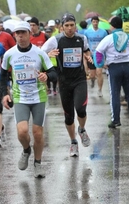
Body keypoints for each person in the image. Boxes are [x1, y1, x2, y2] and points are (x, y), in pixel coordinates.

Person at [0, 22, 57, 178]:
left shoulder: (39, 53)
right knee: (22, 131)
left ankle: (38, 163)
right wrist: (4, 94)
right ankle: (26, 150)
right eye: (17, 33)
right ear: (14, 35)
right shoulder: (9, 54)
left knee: (37, 134)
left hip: (38, 97)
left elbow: (53, 72)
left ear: (29, 34)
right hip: (20, 97)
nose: (20, 35)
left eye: (23, 33)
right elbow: (3, 75)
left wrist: (47, 76)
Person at [41, 13, 93, 157]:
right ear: (62, 27)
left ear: (75, 26)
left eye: (72, 25)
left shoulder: (82, 38)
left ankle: (82, 130)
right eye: (67, 26)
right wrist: (49, 54)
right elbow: (39, 53)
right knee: (69, 116)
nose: (70, 28)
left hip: (79, 79)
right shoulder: (55, 39)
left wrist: (88, 56)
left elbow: (87, 50)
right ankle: (73, 142)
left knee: (81, 109)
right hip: (64, 81)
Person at [95, 16, 129, 128]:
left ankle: (116, 120)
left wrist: (100, 64)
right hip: (128, 66)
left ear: (112, 26)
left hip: (114, 68)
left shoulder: (109, 38)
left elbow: (98, 52)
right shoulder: (128, 37)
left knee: (115, 94)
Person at [84, 16, 108, 97]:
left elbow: (106, 43)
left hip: (100, 54)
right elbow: (85, 43)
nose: (95, 23)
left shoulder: (103, 32)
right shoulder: (87, 32)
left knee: (99, 72)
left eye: (96, 22)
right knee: (92, 75)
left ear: (98, 22)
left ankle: (100, 90)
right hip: (91, 55)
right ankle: (93, 80)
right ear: (91, 22)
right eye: (93, 22)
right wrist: (86, 54)